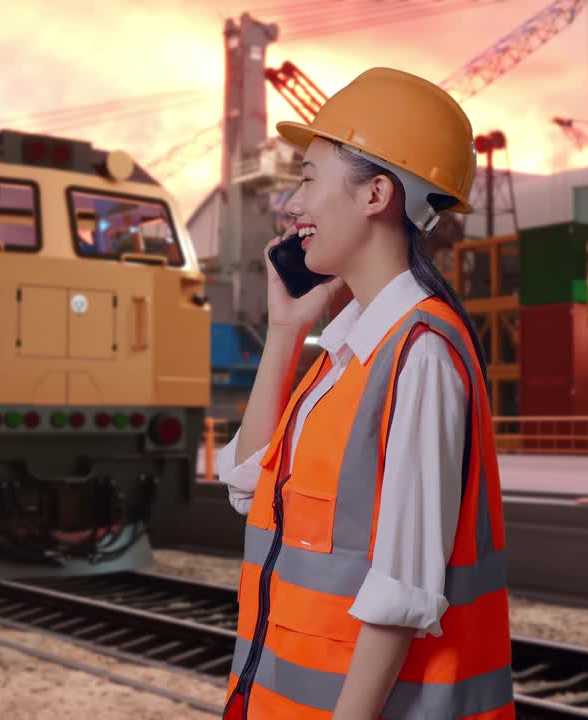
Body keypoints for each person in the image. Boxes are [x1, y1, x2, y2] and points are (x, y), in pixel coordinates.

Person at [215, 67, 513, 720]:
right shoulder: (349, 354)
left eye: (308, 178)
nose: (292, 206)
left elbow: (400, 596)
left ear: (376, 193)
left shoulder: (420, 355)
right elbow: (248, 486)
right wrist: (288, 331)